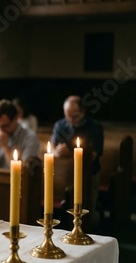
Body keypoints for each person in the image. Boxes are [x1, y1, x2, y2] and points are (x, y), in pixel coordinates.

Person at [51, 95, 103, 228]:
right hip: (65, 173)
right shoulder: (60, 125)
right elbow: (52, 148)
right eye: (67, 115)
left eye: (74, 116)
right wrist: (56, 152)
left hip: (89, 173)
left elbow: (93, 155)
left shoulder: (94, 127)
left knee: (88, 209)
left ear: (83, 112)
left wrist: (69, 152)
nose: (70, 120)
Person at [0, 99, 40, 169]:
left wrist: (6, 148)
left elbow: (24, 170)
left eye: (5, 126)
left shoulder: (30, 137)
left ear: (16, 119)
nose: (1, 130)